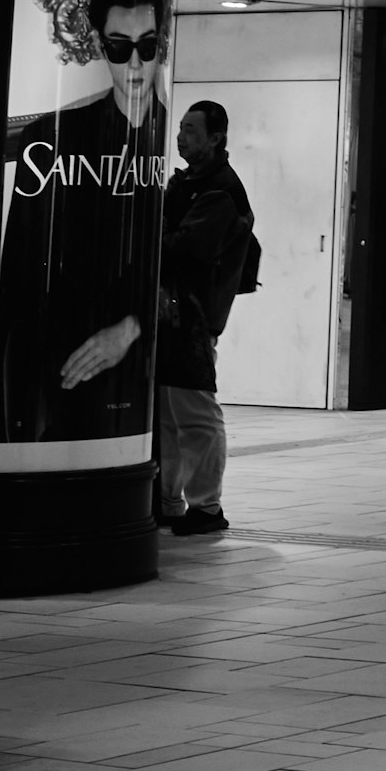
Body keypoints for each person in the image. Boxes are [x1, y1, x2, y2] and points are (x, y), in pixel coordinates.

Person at [0, 0, 168, 450]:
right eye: (119, 47)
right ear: (99, 46)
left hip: (130, 380)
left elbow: (177, 268)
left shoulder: (165, 138)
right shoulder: (52, 139)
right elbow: (20, 275)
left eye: (148, 47)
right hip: (54, 372)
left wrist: (131, 328)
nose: (135, 65)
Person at [156, 100, 260, 536]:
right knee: (168, 412)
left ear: (216, 138)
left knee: (194, 409)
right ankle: (169, 500)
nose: (181, 137)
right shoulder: (188, 182)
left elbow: (186, 248)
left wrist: (147, 231)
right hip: (172, 310)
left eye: (192, 131)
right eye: (180, 129)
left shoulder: (220, 189)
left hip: (193, 315)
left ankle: (206, 507)